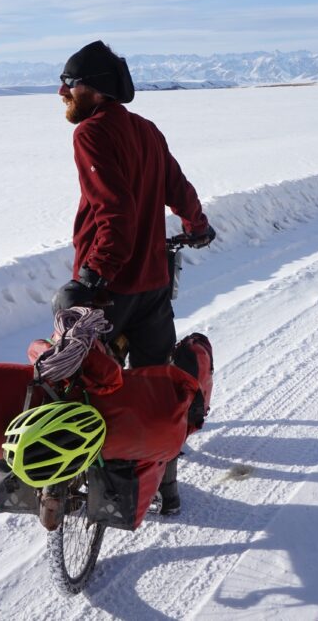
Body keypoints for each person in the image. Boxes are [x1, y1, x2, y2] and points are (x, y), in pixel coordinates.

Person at [53, 40, 215, 515]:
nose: (62, 92)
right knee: (155, 385)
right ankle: (167, 488)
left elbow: (115, 213)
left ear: (95, 89)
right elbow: (176, 186)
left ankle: (86, 482)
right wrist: (196, 225)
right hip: (154, 284)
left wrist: (93, 275)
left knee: (84, 384)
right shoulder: (145, 129)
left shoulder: (91, 134)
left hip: (111, 290)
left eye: (69, 83)